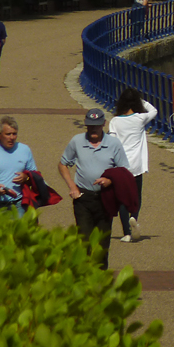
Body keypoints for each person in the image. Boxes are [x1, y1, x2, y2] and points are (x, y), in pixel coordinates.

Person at [58, 108, 130, 270]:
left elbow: (124, 171)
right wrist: (72, 186)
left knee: (102, 245)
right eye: (90, 126)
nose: (93, 130)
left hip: (105, 199)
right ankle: (83, 281)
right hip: (83, 199)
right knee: (84, 242)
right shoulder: (77, 141)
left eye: (97, 126)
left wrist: (109, 180)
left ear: (104, 124)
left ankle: (100, 282)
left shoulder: (114, 144)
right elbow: (63, 164)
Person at [107, 88, 158, 243]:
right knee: (136, 196)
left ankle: (127, 233)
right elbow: (154, 110)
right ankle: (134, 217)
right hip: (136, 165)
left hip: (121, 165)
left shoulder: (115, 121)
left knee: (122, 199)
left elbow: (112, 142)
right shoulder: (140, 119)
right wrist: (140, 100)